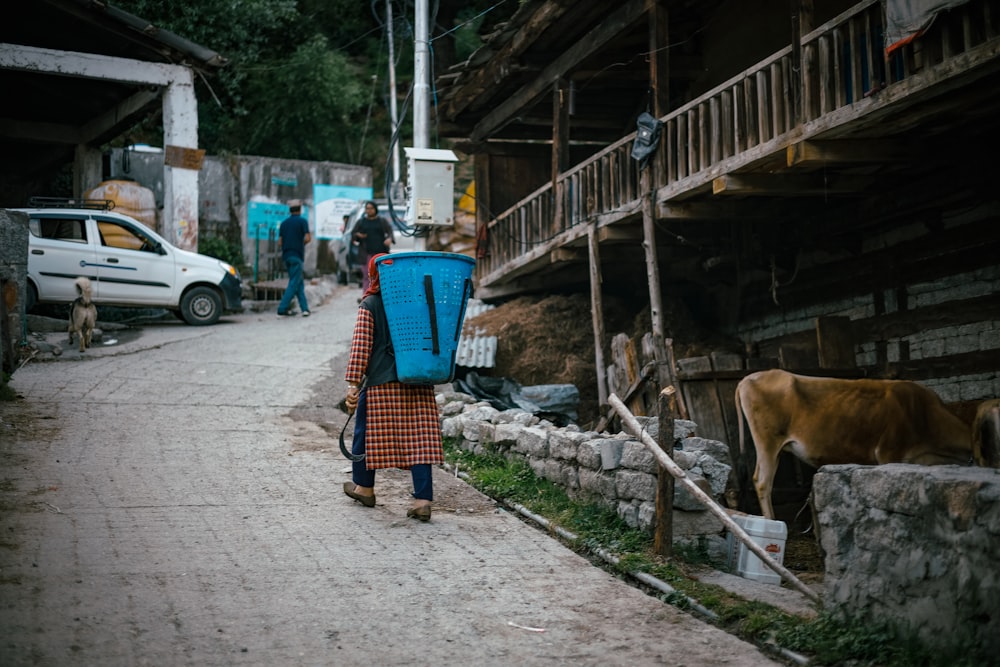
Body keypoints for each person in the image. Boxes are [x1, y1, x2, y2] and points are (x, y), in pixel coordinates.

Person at [343, 253, 442, 522]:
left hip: (380, 385)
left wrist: (354, 383)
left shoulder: (371, 303)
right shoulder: (419, 301)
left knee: (364, 434)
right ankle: (422, 499)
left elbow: (361, 347)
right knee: (420, 438)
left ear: (375, 275)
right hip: (418, 381)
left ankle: (364, 487)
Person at [350, 201, 394, 295]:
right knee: (367, 274)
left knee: (381, 274)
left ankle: (382, 294)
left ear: (375, 209)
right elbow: (353, 233)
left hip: (380, 252)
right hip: (366, 253)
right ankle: (367, 295)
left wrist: (389, 239)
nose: (369, 211)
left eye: (371, 208)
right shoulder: (361, 222)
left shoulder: (382, 221)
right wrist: (358, 235)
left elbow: (390, 231)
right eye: (367, 209)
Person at [276, 200, 311, 317]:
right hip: (297, 255)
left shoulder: (284, 223)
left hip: (286, 256)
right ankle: (282, 308)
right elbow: (307, 238)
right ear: (300, 209)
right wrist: (300, 243)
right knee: (293, 283)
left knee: (298, 282)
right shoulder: (302, 221)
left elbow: (280, 242)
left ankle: (305, 309)